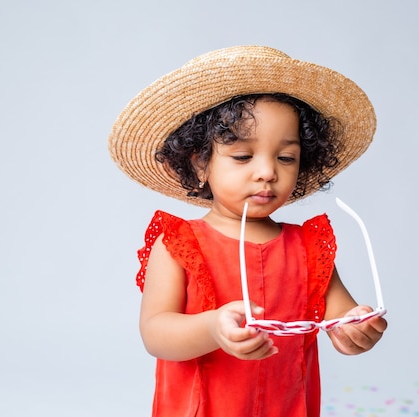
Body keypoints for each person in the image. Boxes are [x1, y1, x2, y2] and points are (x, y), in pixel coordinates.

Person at [109, 45, 387, 417]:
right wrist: (212, 328)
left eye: (286, 157)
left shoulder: (308, 247)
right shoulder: (180, 243)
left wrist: (355, 330)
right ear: (200, 163)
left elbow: (339, 318)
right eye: (242, 156)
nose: (267, 172)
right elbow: (155, 333)